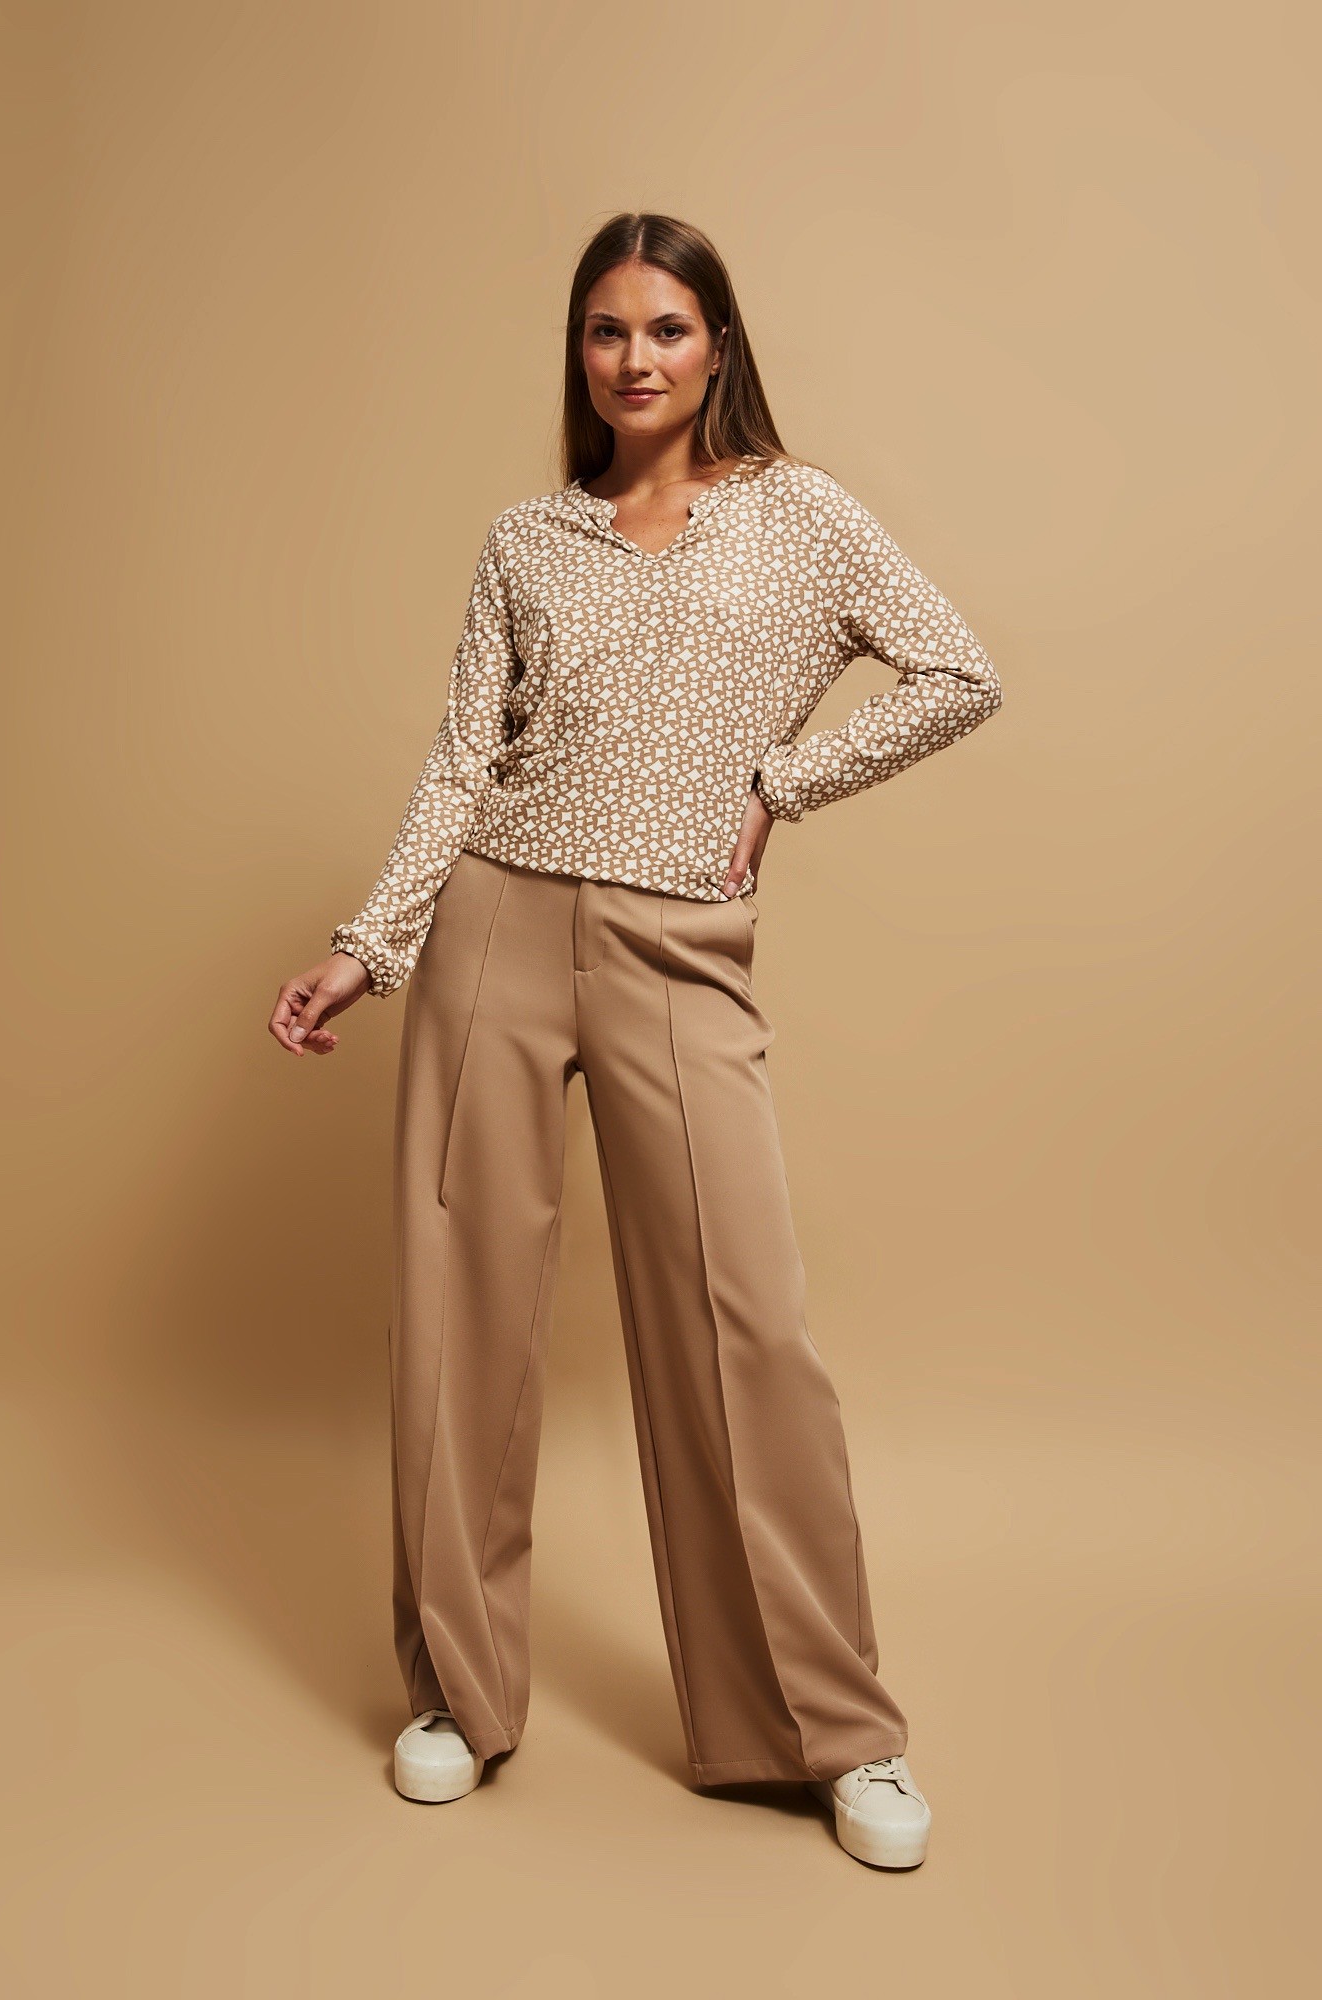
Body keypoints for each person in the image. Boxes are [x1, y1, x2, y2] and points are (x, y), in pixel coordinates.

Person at [269, 212, 1002, 1870]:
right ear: (579, 354)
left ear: (716, 345)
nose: (634, 359)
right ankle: (456, 1692)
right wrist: (367, 946)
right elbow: (462, 759)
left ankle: (832, 1728)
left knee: (747, 1325)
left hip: (678, 942)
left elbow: (956, 672)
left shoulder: (802, 517)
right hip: (495, 929)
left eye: (665, 329)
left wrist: (781, 783)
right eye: (605, 331)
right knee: (460, 1315)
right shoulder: (527, 538)